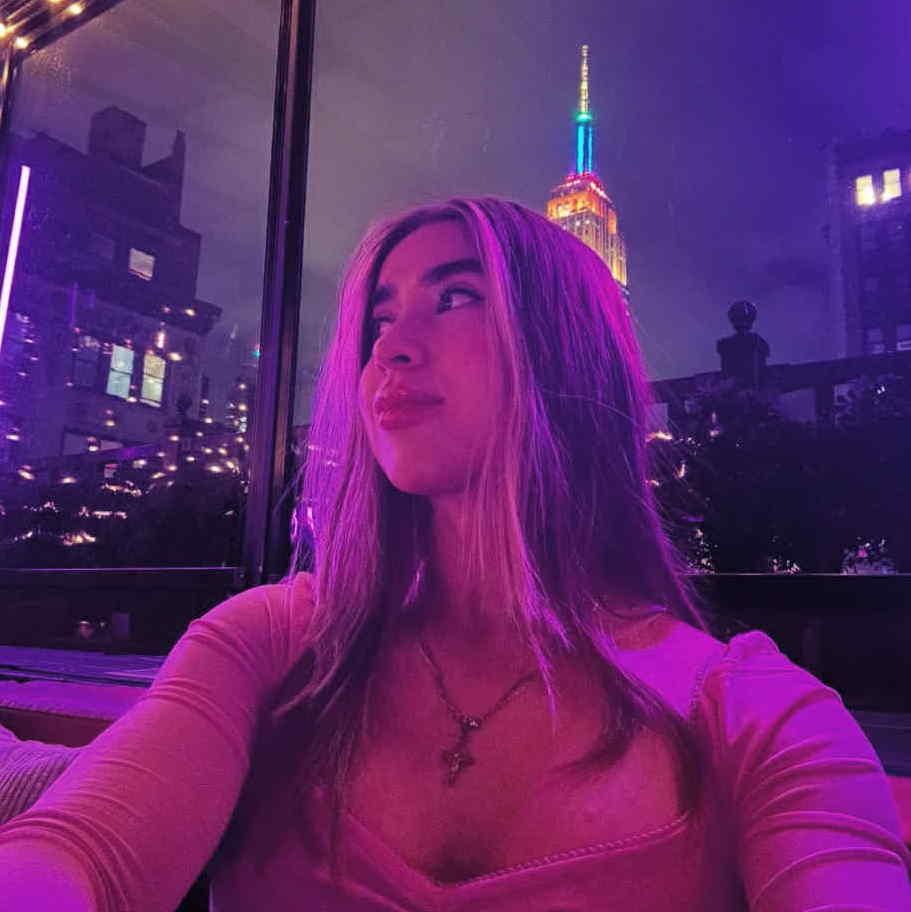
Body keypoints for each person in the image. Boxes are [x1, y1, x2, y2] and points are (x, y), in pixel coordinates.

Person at [0, 197, 908, 910]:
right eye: (378, 319)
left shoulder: (758, 716)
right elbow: (84, 851)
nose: (390, 349)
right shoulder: (270, 644)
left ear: (565, 348)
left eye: (456, 297)